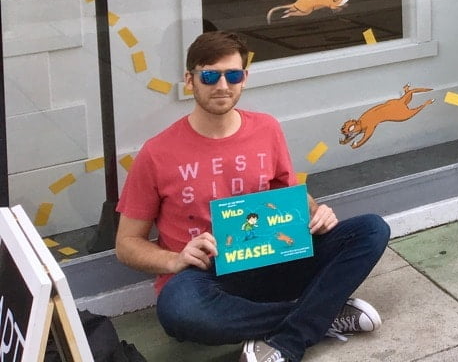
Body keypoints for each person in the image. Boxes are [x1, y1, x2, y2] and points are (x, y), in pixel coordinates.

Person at [116, 30, 390, 362]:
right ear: (190, 80)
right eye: (209, 76)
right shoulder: (156, 153)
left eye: (232, 75)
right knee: (179, 311)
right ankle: (319, 315)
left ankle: (294, 332)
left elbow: (289, 197)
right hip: (205, 276)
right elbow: (127, 243)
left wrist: (318, 213)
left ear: (244, 78)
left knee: (372, 229)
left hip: (274, 255)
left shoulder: (267, 128)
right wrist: (174, 260)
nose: (222, 85)